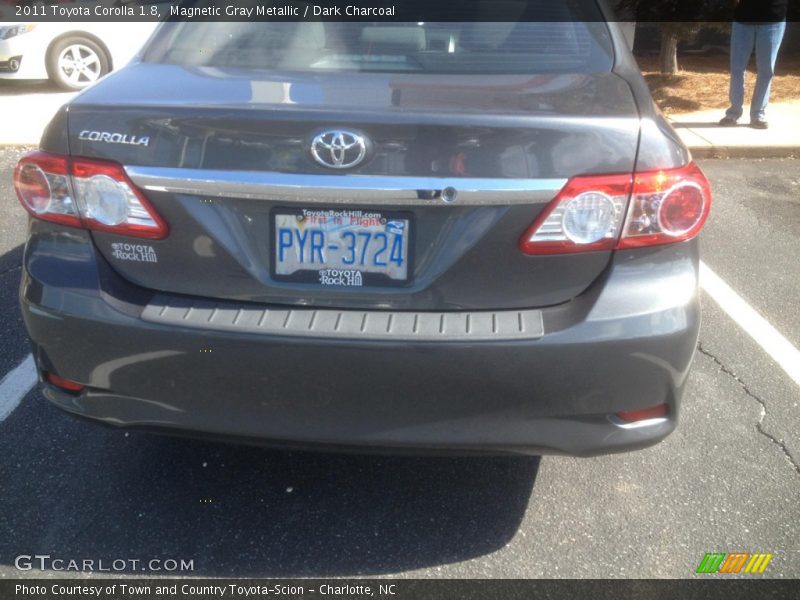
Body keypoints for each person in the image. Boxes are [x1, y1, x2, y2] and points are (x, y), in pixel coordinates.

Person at [719, 0, 788, 129]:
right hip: (743, 19)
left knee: (766, 70)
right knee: (737, 68)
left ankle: (758, 115)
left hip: (773, 19)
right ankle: (733, 113)